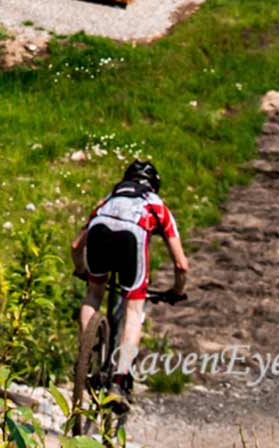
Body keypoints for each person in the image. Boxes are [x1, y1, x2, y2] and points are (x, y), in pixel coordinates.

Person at [72, 159, 189, 399]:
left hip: (100, 231)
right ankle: (119, 380)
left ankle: (86, 355)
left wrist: (82, 270)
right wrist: (177, 291)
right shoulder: (157, 205)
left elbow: (75, 245)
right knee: (134, 310)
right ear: (154, 186)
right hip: (131, 237)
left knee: (93, 295)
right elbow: (181, 264)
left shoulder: (107, 200)